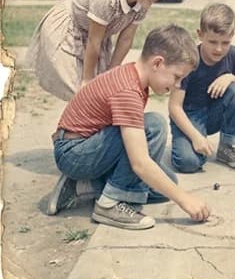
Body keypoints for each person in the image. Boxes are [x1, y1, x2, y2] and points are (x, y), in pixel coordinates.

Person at [41, 24, 210, 230]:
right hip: (74, 153)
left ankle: (82, 185)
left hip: (85, 147)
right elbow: (139, 162)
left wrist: (174, 192)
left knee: (166, 184)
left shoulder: (133, 76)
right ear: (157, 63)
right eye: (177, 77)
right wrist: (185, 200)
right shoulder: (128, 90)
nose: (177, 85)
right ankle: (110, 203)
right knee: (153, 126)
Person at [26, 0, 172, 101]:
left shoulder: (142, 3)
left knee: (102, 88)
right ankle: (73, 123)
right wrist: (87, 80)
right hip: (70, 27)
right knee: (82, 92)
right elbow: (93, 41)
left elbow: (125, 40)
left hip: (94, 36)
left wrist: (111, 73)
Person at [168, 3, 235, 173]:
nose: (219, 48)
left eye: (225, 42)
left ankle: (226, 147)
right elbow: (174, 107)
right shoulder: (189, 59)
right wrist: (195, 137)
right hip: (190, 115)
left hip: (215, 113)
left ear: (232, 36)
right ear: (200, 35)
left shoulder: (233, 54)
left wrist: (230, 77)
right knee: (188, 163)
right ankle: (185, 141)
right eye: (212, 42)